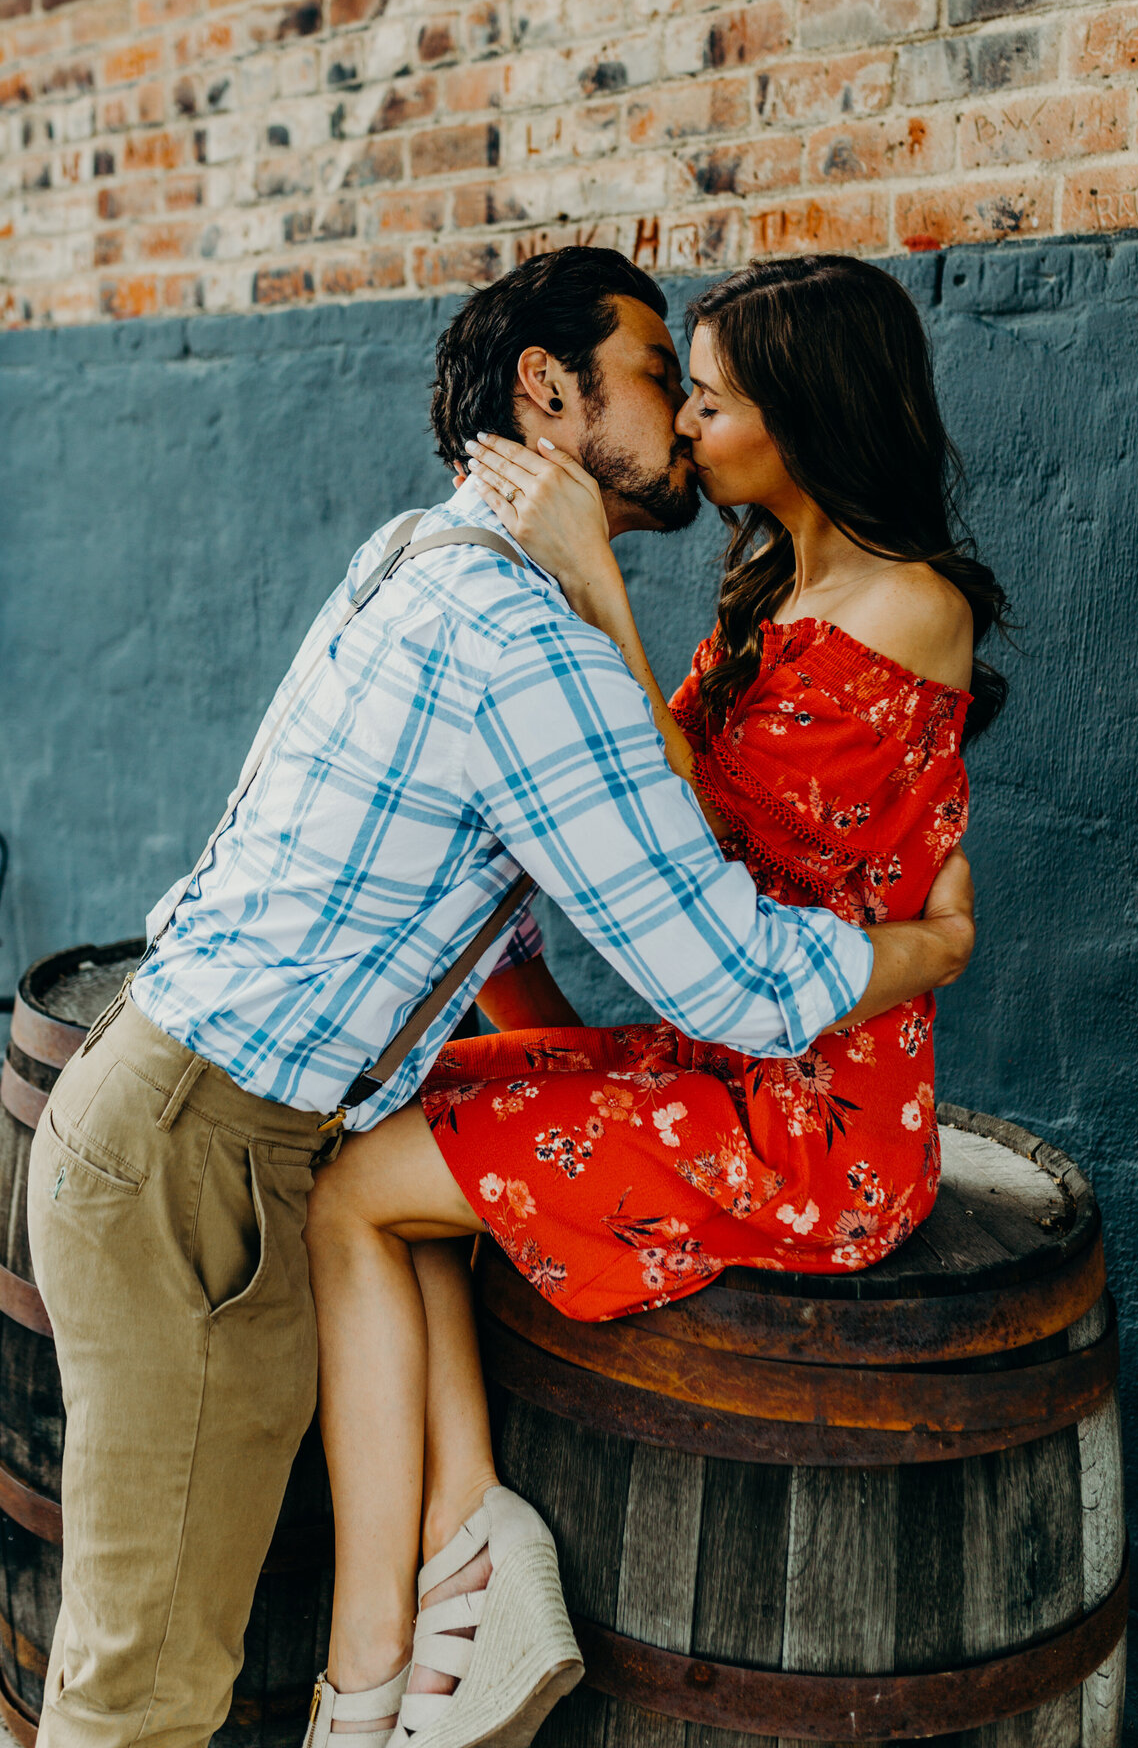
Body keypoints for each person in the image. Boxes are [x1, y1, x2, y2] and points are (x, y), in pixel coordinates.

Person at [25, 247, 974, 1748]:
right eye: (665, 380)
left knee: (133, 1667)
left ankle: (436, 1593)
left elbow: (578, 899)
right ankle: (399, 1657)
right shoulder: (524, 646)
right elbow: (726, 966)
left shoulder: (425, 554)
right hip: (195, 1158)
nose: (681, 424)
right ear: (549, 391)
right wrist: (921, 956)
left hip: (191, 1125)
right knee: (136, 1702)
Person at [301, 254, 993, 1747]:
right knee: (389, 1124)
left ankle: (394, 1656)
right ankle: (469, 1556)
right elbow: (658, 798)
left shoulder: (908, 606)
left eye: (717, 397)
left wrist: (593, 580)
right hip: (731, 1048)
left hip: (813, 1114)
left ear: (805, 418)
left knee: (358, 1194)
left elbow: (692, 839)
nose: (687, 424)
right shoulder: (780, 590)